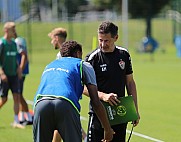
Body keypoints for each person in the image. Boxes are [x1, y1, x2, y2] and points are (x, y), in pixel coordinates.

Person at [33, 40, 114, 142]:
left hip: (41, 104)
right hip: (65, 103)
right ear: (78, 53)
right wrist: (107, 129)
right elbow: (96, 102)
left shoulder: (49, 65)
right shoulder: (83, 64)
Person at [84, 21, 140, 142]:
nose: (103, 44)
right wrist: (103, 96)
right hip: (99, 113)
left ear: (116, 38)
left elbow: (130, 82)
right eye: (100, 40)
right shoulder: (92, 58)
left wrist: (134, 109)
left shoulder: (124, 55)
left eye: (106, 40)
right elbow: (83, 87)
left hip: (120, 113)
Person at [48, 27, 87, 142]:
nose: (51, 42)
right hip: (67, 94)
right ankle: (85, 138)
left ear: (56, 38)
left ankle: (85, 138)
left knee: (65, 122)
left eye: (52, 39)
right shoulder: (68, 51)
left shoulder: (62, 55)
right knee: (62, 124)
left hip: (67, 94)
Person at [0, 22, 24, 128]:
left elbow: (15, 58)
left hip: (14, 75)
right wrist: (1, 73)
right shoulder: (2, 43)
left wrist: (18, 69)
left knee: (16, 97)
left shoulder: (14, 43)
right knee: (4, 99)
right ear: (6, 30)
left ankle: (16, 121)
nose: (14, 32)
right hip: (5, 76)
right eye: (12, 29)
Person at [12, 24, 33, 124]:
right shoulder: (16, 41)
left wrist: (20, 69)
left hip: (20, 72)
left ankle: (28, 118)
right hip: (19, 72)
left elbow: (24, 56)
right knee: (19, 95)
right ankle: (25, 117)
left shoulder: (18, 41)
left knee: (19, 95)